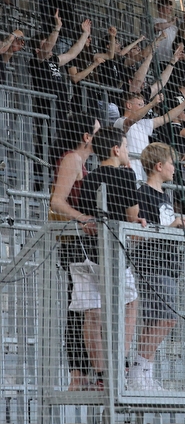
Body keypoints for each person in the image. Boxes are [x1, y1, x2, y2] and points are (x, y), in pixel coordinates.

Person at [75, 128, 145, 388]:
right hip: (114, 252)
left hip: (87, 251)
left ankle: (102, 376)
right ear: (116, 150)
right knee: (129, 304)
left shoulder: (90, 176)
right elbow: (132, 214)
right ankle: (120, 365)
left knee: (92, 312)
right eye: (125, 147)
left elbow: (85, 211)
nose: (127, 152)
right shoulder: (126, 173)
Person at [129, 142, 185, 391]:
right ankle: (137, 371)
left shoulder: (166, 195)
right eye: (171, 164)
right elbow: (140, 232)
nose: (174, 169)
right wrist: (173, 226)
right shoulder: (143, 193)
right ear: (159, 166)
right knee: (166, 320)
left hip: (167, 262)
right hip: (153, 262)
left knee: (155, 321)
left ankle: (145, 375)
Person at [49, 114, 100, 390]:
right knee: (79, 308)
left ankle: (85, 372)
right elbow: (57, 201)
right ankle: (78, 374)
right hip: (73, 243)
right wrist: (83, 218)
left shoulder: (83, 162)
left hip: (82, 242)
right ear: (86, 136)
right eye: (96, 130)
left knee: (86, 308)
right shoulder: (72, 159)